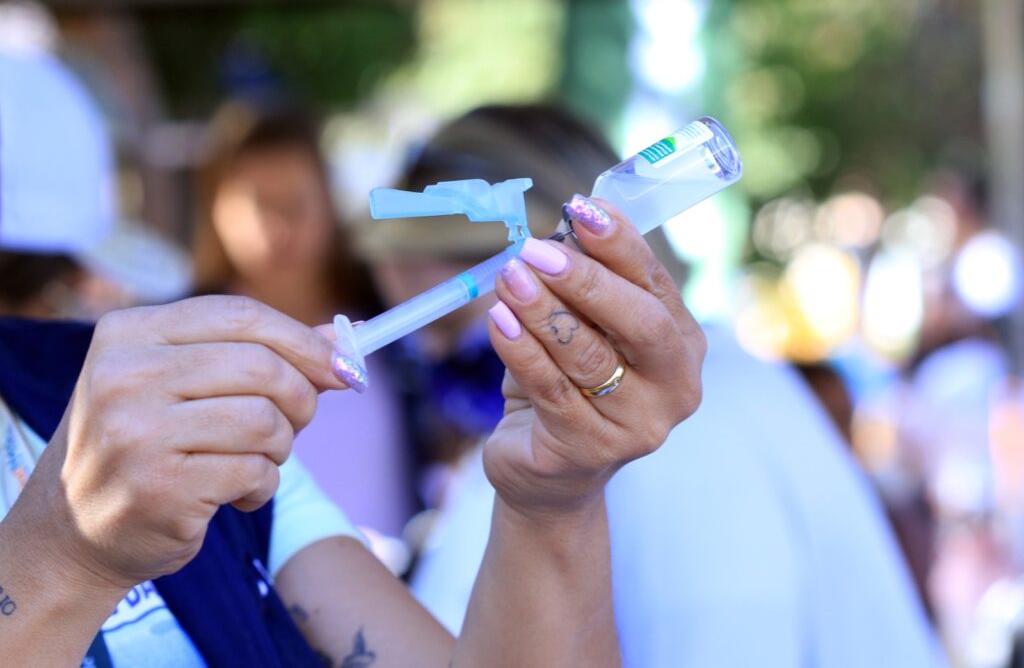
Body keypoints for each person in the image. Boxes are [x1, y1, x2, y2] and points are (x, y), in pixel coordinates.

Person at [0, 50, 702, 666]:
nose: (94, 302)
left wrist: (552, 501)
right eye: (54, 284)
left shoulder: (185, 430)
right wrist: (66, 554)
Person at [368, 105, 947, 667]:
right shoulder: (728, 383)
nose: (436, 361)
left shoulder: (667, 436)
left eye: (448, 328)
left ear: (556, 260)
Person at [194, 106, 414, 543]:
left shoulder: (392, 317)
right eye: (259, 204)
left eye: (297, 203)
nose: (279, 227)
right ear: (216, 208)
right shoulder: (186, 334)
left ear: (330, 203)